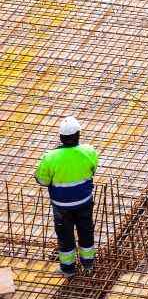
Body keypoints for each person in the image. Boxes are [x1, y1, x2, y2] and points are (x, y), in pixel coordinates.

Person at [34, 116, 98, 277]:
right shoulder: (89, 151)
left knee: (65, 236)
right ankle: (88, 264)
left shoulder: (50, 157)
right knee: (86, 231)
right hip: (84, 201)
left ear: (61, 137)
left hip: (62, 206)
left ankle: (68, 269)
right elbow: (92, 171)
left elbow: (42, 180)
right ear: (78, 135)